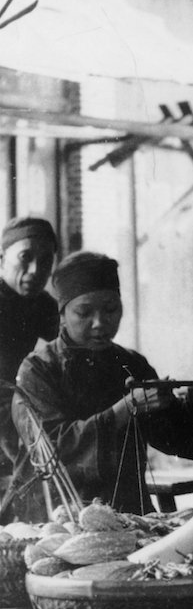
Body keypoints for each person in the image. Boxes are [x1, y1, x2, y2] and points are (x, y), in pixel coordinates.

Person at [12, 250, 193, 516]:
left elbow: (188, 446)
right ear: (63, 315)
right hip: (52, 515)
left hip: (126, 513)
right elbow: (52, 449)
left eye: (111, 309)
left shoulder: (131, 363)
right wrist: (124, 410)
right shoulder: (38, 370)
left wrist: (192, 401)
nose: (100, 323)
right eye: (84, 312)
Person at [0, 216, 59, 519]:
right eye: (25, 257)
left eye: (46, 261)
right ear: (2, 257)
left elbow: (64, 352)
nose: (35, 270)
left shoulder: (45, 305)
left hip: (15, 401)